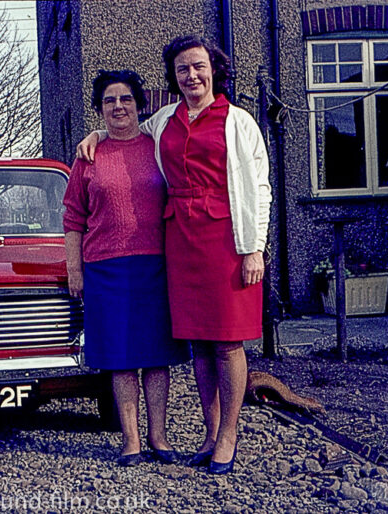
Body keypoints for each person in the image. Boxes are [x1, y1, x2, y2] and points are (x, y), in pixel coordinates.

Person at [77, 36, 271, 474]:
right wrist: (94, 133)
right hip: (180, 241)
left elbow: (259, 189)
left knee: (227, 340)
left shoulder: (238, 122)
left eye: (198, 67)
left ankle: (228, 435)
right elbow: (124, 130)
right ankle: (209, 430)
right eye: (183, 70)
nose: (191, 76)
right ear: (174, 78)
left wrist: (254, 247)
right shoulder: (165, 120)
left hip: (227, 240)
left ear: (213, 70)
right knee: (199, 341)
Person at [63, 69, 190, 467]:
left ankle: (160, 437)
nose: (118, 106)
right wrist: (74, 270)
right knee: (119, 358)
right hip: (105, 269)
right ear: (99, 109)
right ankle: (131, 440)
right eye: (109, 100)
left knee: (155, 357)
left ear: (139, 104)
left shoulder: (157, 147)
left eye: (126, 99)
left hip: (155, 265)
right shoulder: (88, 155)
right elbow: (72, 218)